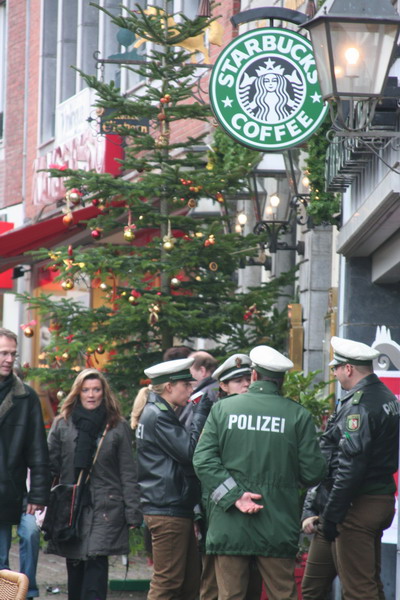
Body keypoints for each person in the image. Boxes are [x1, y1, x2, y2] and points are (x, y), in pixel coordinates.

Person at [193, 345, 327, 600]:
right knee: (283, 594)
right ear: (282, 380)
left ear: (253, 376)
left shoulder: (223, 410)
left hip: (229, 522)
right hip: (277, 521)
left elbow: (202, 460)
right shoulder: (297, 415)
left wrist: (236, 496)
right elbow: (313, 473)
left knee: (231, 595)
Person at [303, 335, 399, 600]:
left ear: (348, 368)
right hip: (369, 499)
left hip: (357, 503)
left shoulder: (359, 405)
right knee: (364, 583)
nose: (333, 373)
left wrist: (332, 514)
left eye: (336, 367)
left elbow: (350, 466)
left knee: (359, 589)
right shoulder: (383, 395)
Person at [47, 367, 142, 600]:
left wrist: (133, 512)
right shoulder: (63, 424)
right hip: (72, 506)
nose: (91, 395)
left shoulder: (116, 426)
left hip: (106, 506)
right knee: (76, 565)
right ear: (77, 393)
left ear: (104, 393)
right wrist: (40, 500)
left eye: (96, 390)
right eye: (86, 390)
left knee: (96, 564)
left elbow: (127, 472)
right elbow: (50, 465)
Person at [134, 357, 212, 600]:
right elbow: (188, 452)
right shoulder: (158, 415)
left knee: (189, 583)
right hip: (167, 509)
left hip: (172, 507)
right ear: (169, 386)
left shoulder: (159, 411)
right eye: (186, 385)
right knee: (167, 583)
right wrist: (200, 413)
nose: (190, 390)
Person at [199, 353, 261, 600]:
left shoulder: (259, 413)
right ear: (223, 386)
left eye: (248, 378)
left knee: (251, 585)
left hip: (254, 507)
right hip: (220, 509)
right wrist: (232, 496)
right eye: (238, 380)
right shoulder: (215, 413)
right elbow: (203, 464)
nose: (246, 384)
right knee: (216, 586)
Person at [0, 327, 50, 600]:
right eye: (3, 353)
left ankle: (26, 592)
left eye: (13, 354)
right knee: (0, 561)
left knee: (30, 532)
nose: (9, 359)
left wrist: (39, 494)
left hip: (17, 490)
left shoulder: (26, 396)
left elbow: (38, 449)